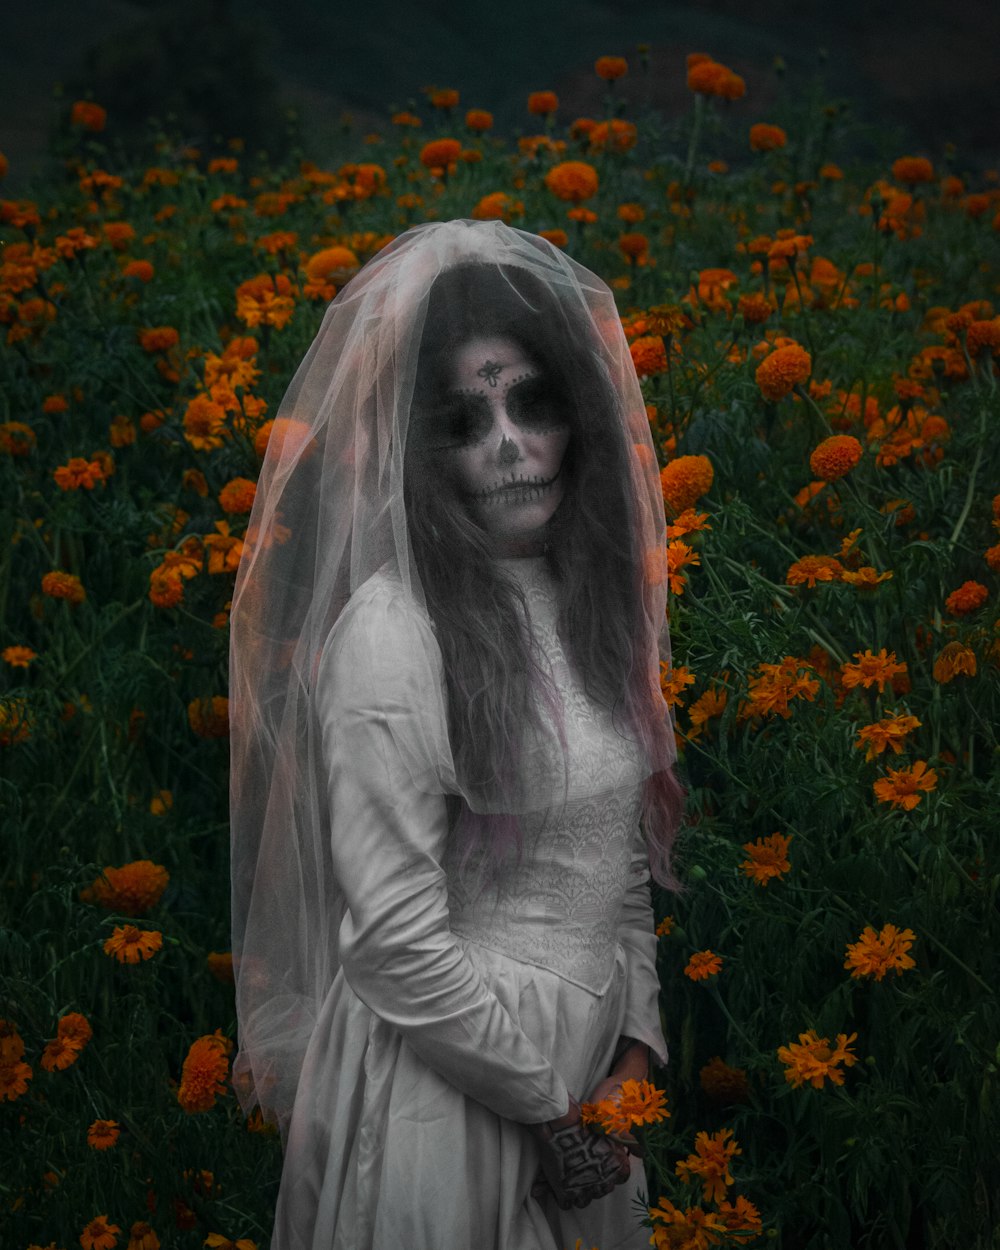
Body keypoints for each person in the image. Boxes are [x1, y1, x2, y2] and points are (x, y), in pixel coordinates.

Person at [229, 219, 683, 1250]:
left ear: (580, 419)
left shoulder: (592, 606)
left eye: (532, 402)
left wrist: (631, 1067)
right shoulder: (393, 633)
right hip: (442, 1094)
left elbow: (614, 872)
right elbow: (391, 939)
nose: (509, 444)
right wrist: (545, 1105)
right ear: (417, 454)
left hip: (590, 1100)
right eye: (464, 422)